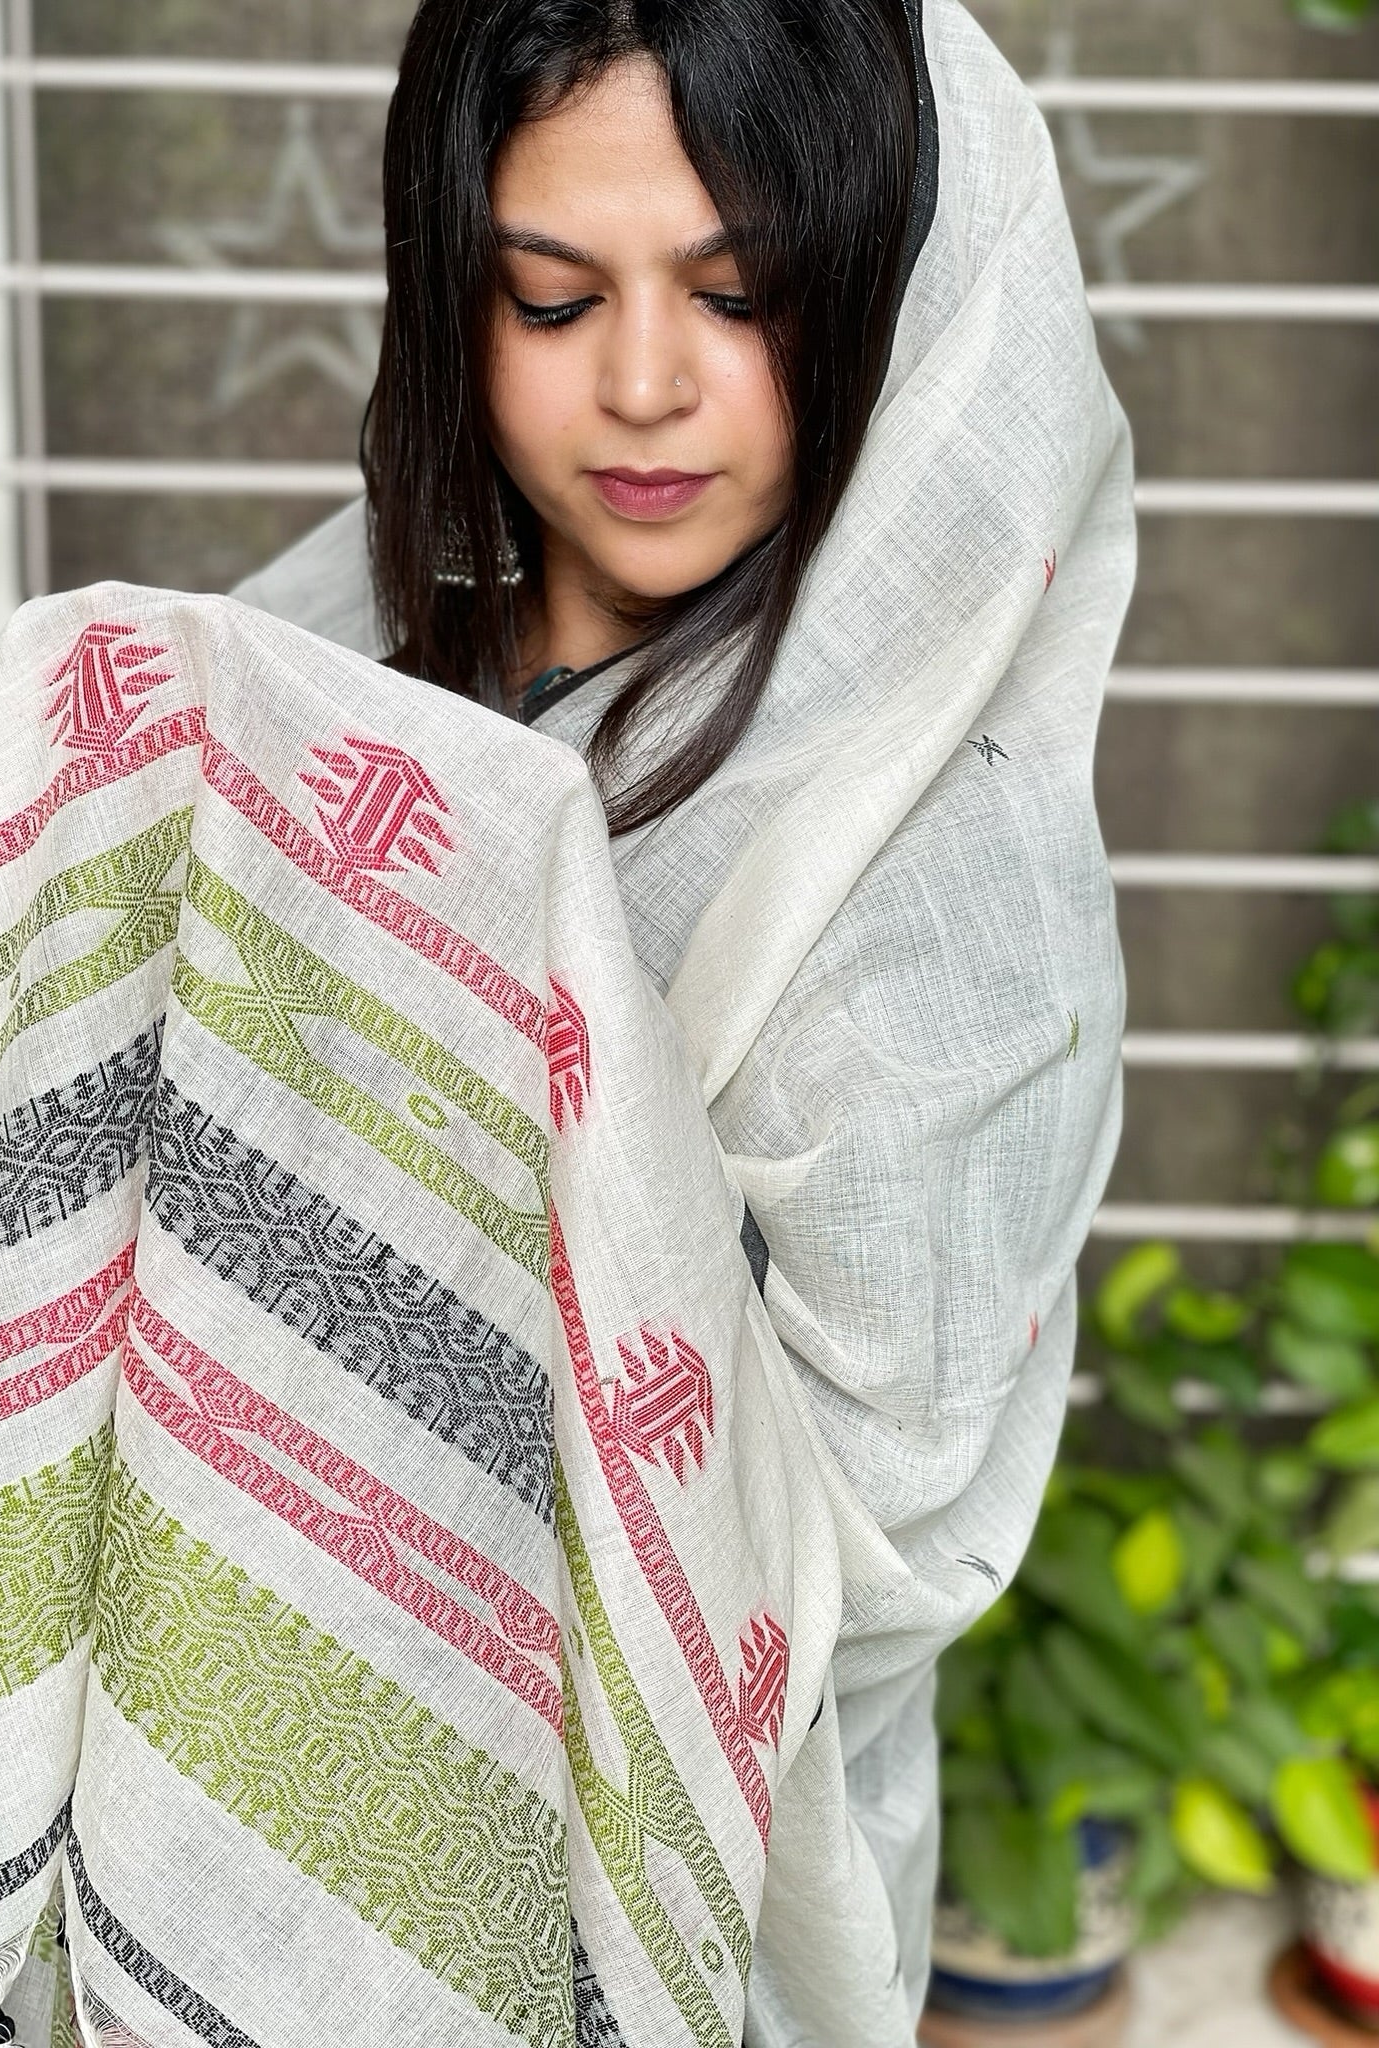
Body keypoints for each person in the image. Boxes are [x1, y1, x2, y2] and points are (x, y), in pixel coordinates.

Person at [228, 0, 1136, 2037]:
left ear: (899, 302)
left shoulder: (932, 904)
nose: (643, 390)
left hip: (635, 1898)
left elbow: (864, 1558)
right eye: (552, 302)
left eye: (745, 300)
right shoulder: (381, 640)